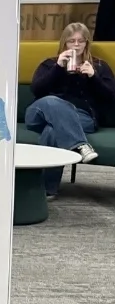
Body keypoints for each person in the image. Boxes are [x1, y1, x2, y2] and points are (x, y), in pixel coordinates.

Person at [26, 22, 115, 195]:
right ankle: (80, 144)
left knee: (52, 131)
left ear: (87, 43)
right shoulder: (50, 63)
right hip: (40, 113)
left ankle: (46, 191)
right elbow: (37, 90)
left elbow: (111, 97)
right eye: (71, 41)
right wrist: (58, 68)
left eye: (80, 41)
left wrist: (93, 77)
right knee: (52, 101)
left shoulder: (98, 66)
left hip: (81, 117)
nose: (76, 45)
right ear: (64, 43)